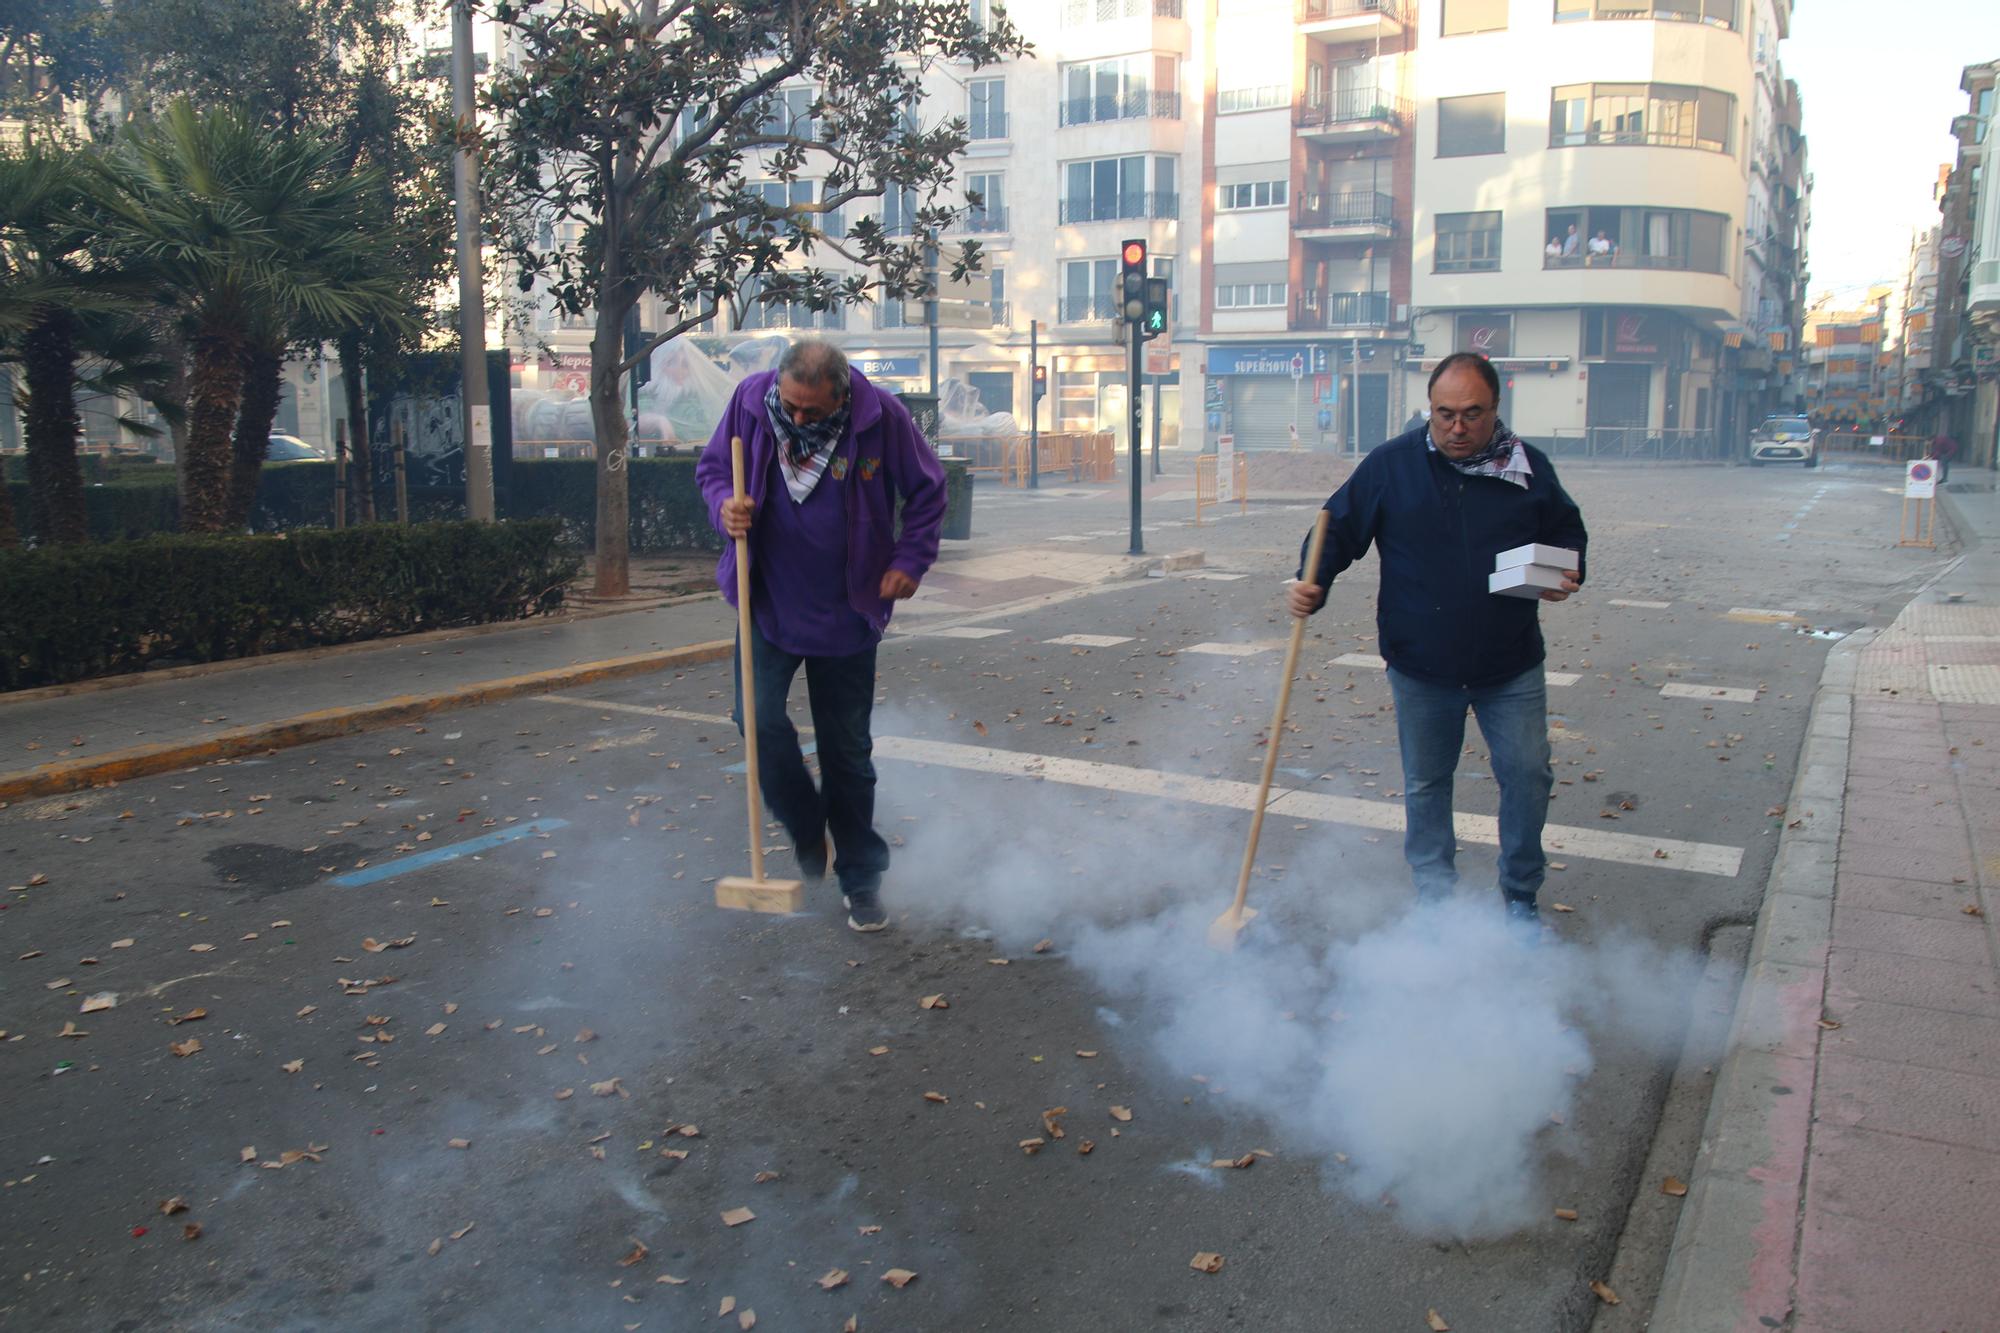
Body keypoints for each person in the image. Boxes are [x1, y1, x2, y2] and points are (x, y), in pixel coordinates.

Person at [1288, 352, 1589, 924]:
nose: (1456, 428)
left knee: (1528, 773)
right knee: (1428, 784)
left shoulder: (1529, 468)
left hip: (1510, 664)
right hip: (1421, 664)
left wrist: (1567, 572)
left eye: (1472, 414)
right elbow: (1336, 527)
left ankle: (1520, 895)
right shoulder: (1391, 466)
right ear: (1429, 409)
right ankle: (1435, 902)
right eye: (1444, 413)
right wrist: (1313, 581)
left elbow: (1567, 534)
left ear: (1495, 410)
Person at [696, 339, 948, 932]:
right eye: (793, 405)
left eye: (813, 410)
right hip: (767, 601)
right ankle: (809, 827)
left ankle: (861, 879)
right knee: (754, 719)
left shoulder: (880, 415)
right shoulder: (751, 401)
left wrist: (911, 560)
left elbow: (929, 491)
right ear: (778, 385)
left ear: (841, 393)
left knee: (847, 755)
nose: (799, 418)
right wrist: (723, 506)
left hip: (849, 608)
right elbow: (712, 471)